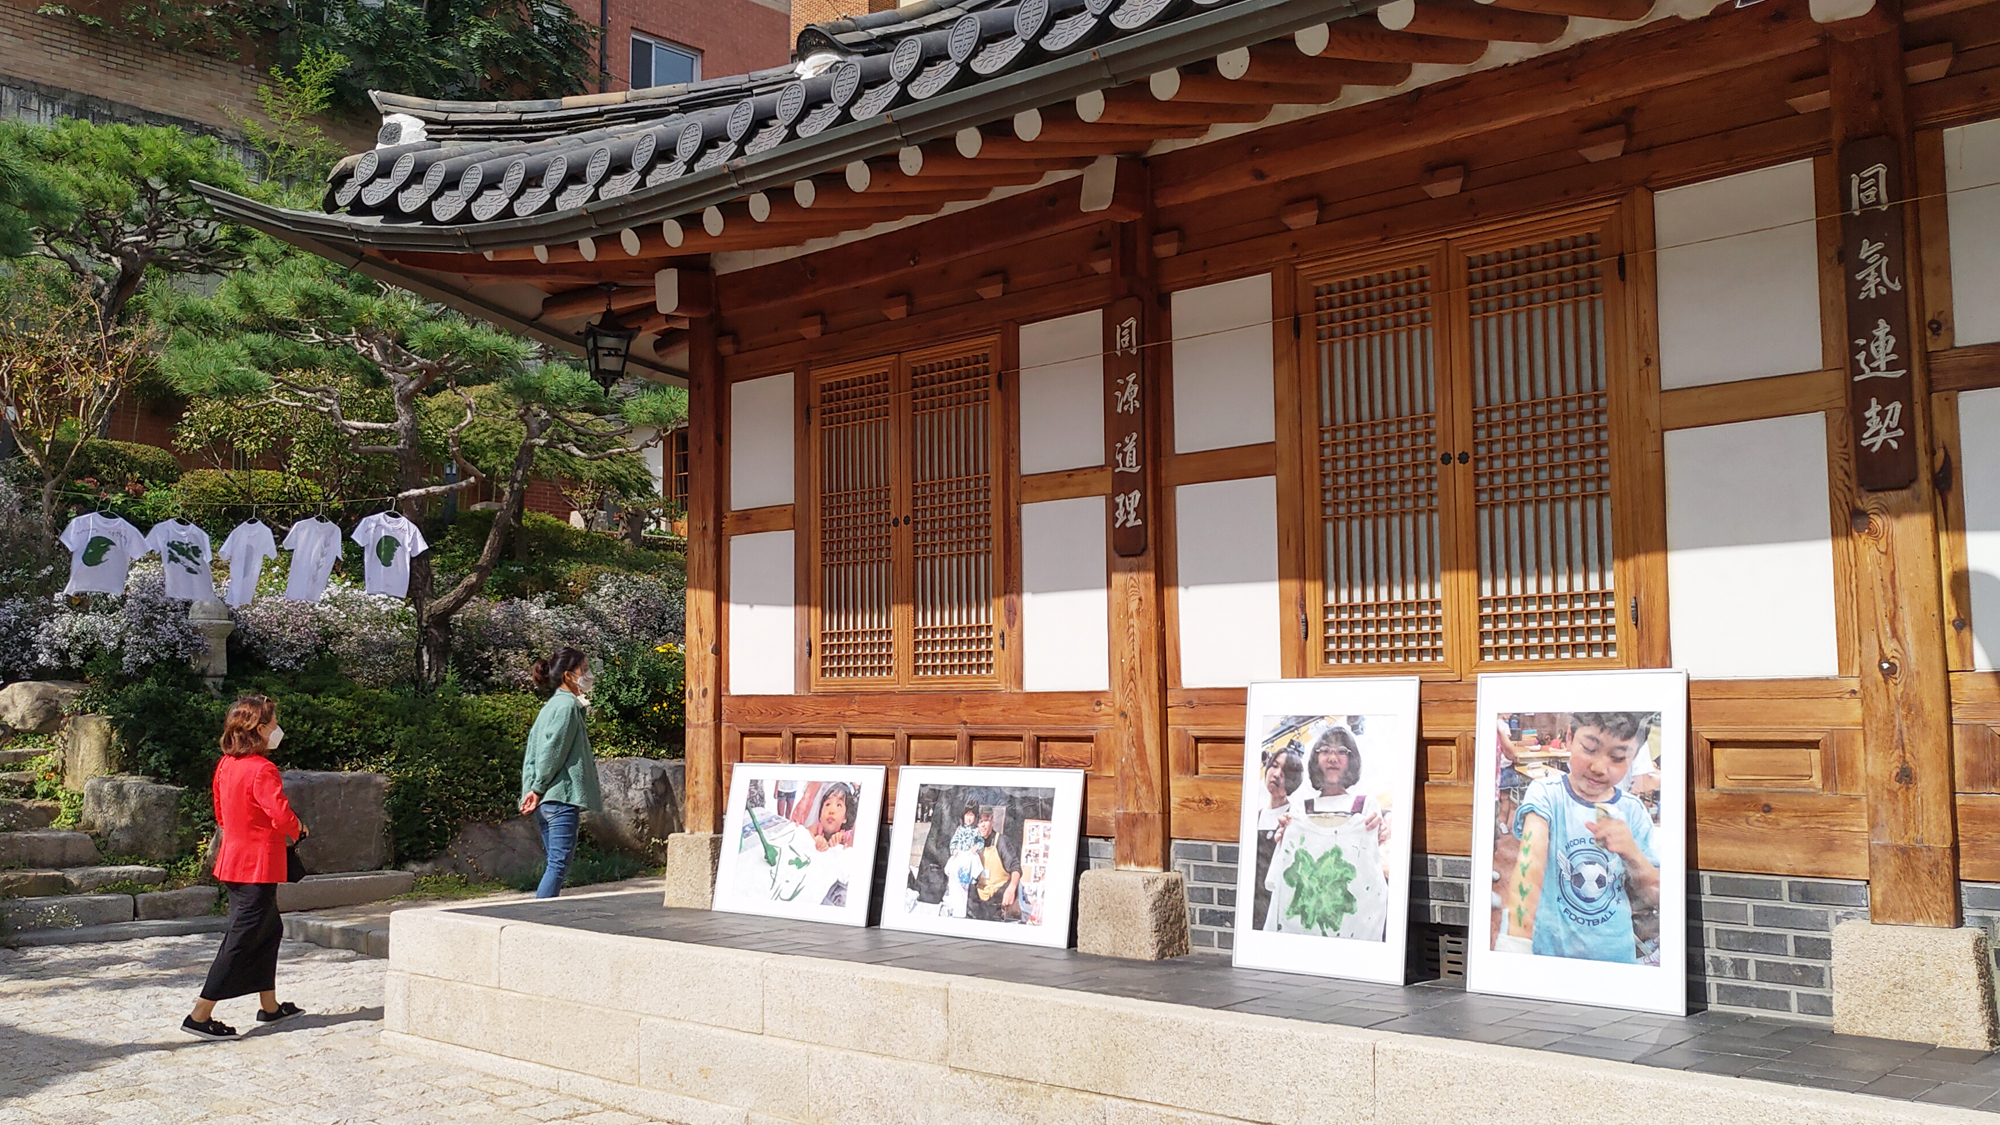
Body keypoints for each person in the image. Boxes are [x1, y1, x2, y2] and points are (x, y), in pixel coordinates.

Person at [183, 694, 307, 1040]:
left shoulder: (226, 764)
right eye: (273, 724)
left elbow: (221, 813)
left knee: (268, 930)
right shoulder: (262, 769)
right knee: (241, 938)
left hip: (233, 860)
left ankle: (270, 1007)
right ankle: (199, 1015)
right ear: (260, 729)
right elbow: (280, 813)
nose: (277, 729)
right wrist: (298, 828)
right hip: (258, 865)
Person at [1497, 712, 1662, 962]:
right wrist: (1516, 944)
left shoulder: (1633, 811)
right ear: (1570, 738)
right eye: (1589, 749)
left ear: (1634, 757)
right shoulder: (1547, 795)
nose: (1599, 768)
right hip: (1550, 954)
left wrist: (1632, 853)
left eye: (1617, 757)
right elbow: (1529, 869)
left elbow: (1656, 895)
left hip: (1614, 958)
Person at [519, 647, 603, 899]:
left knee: (554, 864)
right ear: (568, 675)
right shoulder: (567, 707)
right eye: (584, 669)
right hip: (559, 799)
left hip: (546, 801)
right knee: (558, 866)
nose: (589, 674)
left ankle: (541, 914)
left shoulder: (551, 706)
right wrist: (537, 788)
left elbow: (534, 752)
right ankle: (539, 916)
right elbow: (553, 751)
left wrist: (532, 789)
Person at [810, 782, 857, 851]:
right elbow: (802, 832)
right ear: (820, 816)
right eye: (827, 804)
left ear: (845, 817)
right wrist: (814, 839)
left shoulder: (846, 836)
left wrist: (843, 840)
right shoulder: (817, 828)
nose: (831, 810)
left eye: (839, 805)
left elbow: (850, 842)